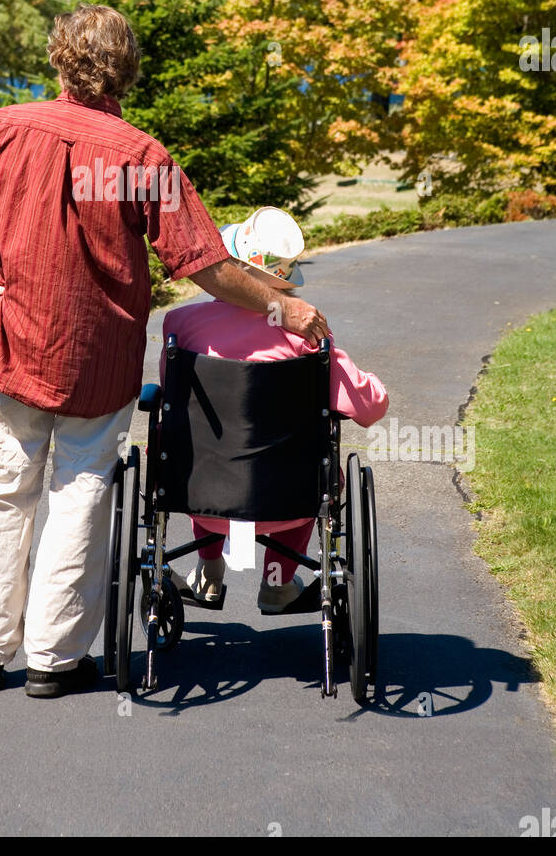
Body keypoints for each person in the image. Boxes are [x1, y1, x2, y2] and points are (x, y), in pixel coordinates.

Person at [0, 6, 329, 698]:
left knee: (2, 496)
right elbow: (206, 265)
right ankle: (54, 659)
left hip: (15, 347)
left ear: (58, 58)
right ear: (127, 67)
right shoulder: (141, 156)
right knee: (79, 495)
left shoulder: (0, 128)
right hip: (97, 361)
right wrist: (285, 306)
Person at [162, 207, 388, 613]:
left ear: (232, 263)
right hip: (290, 498)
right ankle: (278, 583)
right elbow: (369, 408)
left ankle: (209, 573)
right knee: (312, 460)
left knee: (200, 440)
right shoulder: (306, 335)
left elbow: (170, 396)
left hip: (198, 490)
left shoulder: (182, 325)